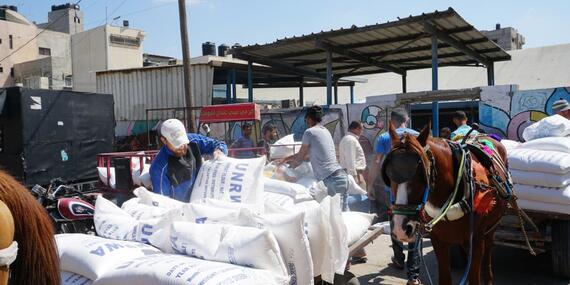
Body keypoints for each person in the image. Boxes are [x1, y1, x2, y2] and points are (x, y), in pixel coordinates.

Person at [374, 109, 421, 285]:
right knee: (414, 227)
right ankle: (413, 275)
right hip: (415, 193)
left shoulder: (385, 138)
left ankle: (399, 258)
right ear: (406, 120)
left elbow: (377, 162)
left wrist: (372, 183)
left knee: (395, 223)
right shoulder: (418, 136)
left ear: (392, 120)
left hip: (393, 192)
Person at [279, 105, 349, 210]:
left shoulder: (309, 132)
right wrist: (286, 159)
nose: (306, 122)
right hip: (342, 177)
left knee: (332, 216)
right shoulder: (325, 131)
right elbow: (307, 156)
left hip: (331, 180)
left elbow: (300, 158)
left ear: (309, 119)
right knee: (344, 217)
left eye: (306, 119)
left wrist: (285, 169)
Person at [150, 119, 228, 202]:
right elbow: (162, 201)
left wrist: (219, 151)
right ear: (164, 140)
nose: (181, 147)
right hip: (181, 208)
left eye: (183, 142)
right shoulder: (159, 168)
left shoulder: (193, 141)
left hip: (204, 199)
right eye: (176, 143)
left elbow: (218, 144)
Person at [339, 120, 369, 264]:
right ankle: (357, 250)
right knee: (359, 210)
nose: (362, 131)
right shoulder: (350, 140)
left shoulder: (349, 139)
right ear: (356, 128)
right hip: (355, 175)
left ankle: (359, 251)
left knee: (358, 209)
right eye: (361, 128)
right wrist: (356, 179)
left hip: (355, 175)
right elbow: (351, 162)